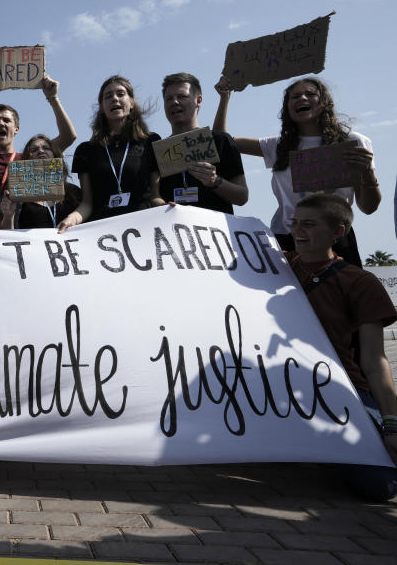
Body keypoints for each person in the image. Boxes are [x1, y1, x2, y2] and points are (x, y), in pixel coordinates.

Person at [286, 194, 397, 501]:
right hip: (276, 386)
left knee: (378, 485)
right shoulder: (274, 266)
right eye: (295, 223)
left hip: (339, 387)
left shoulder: (360, 281)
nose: (298, 231)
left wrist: (391, 424)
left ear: (338, 231)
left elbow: (375, 361)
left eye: (309, 224)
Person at [214, 76, 379, 266]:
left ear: (324, 102)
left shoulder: (351, 141)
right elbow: (222, 142)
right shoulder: (277, 145)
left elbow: (369, 207)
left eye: (310, 94)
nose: (302, 98)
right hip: (286, 240)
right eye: (295, 96)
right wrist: (224, 98)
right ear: (287, 107)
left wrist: (367, 173)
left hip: (335, 239)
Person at [59, 75, 164, 230]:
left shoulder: (151, 141)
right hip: (103, 231)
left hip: (144, 226)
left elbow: (155, 196)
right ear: (101, 107)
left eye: (121, 94)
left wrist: (168, 207)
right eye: (108, 96)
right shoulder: (85, 150)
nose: (115, 99)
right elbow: (87, 204)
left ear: (132, 103)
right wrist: (71, 219)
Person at [0, 75, 77, 201]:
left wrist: (53, 98)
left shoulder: (30, 160)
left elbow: (68, 137)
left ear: (16, 129)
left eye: (6, 120)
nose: (1, 123)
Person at [158, 73, 247, 213]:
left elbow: (242, 197)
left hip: (213, 231)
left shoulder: (220, 140)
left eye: (182, 96)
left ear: (198, 100)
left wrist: (215, 181)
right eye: (169, 98)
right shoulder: (158, 150)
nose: (174, 102)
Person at [0, 134, 82, 229]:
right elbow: (9, 238)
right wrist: (8, 216)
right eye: (34, 150)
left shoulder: (73, 192)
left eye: (46, 148)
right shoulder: (18, 198)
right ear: (27, 159)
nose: (40, 151)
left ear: (55, 154)